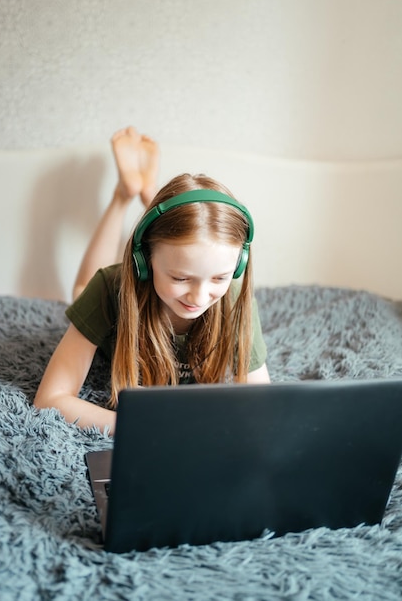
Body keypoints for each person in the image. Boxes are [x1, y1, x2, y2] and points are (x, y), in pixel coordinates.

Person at [34, 126, 270, 435]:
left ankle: (148, 194)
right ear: (145, 261)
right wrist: (149, 427)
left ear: (237, 267)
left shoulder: (235, 297)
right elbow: (50, 399)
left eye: (219, 278)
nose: (199, 297)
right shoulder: (109, 288)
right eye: (181, 277)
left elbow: (263, 407)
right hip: (112, 287)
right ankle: (123, 196)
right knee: (82, 290)